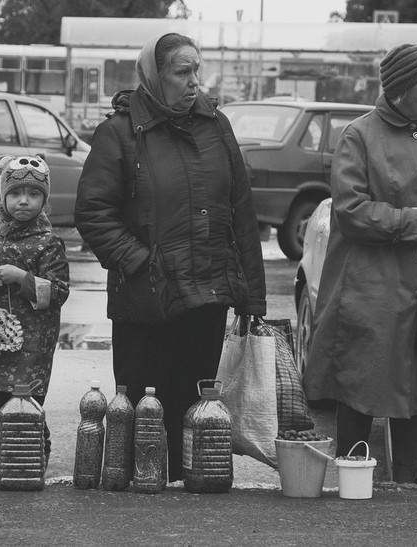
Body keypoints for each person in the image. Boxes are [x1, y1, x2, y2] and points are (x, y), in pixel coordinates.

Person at [74, 32, 266, 483]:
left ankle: (188, 506)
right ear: (154, 77)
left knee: (195, 414)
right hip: (148, 302)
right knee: (145, 415)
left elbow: (242, 211)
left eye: (197, 70)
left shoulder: (217, 126)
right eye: (183, 72)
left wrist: (252, 299)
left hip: (208, 297)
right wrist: (141, 262)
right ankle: (142, 512)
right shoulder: (120, 132)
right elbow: (92, 212)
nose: (194, 82)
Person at [302, 44, 417, 483]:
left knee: (415, 394)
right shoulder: (359, 135)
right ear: (401, 89)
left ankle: (407, 486)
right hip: (368, 290)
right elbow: (350, 210)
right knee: (358, 389)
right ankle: (352, 482)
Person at [0, 154, 70, 479]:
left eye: (34, 194)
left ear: (44, 200)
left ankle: (29, 471)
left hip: (32, 345)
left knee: (27, 409)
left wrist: (21, 277)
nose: (24, 201)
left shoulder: (49, 242)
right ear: (3, 197)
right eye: (16, 194)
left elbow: (60, 291)